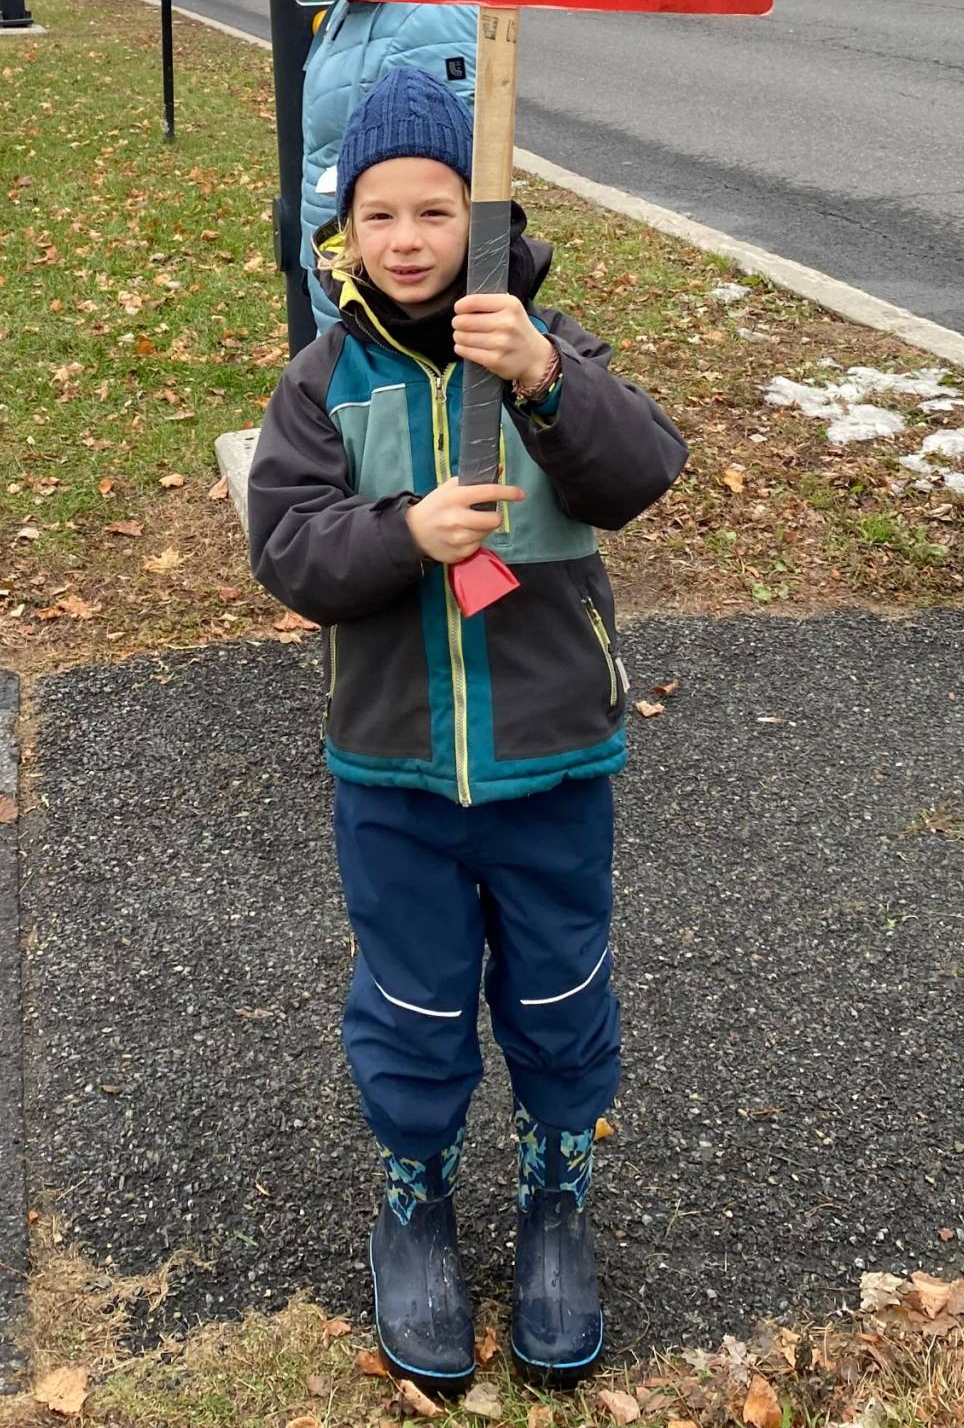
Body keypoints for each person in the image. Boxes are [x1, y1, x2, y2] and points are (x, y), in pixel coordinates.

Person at [248, 68, 686, 1389]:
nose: (406, 239)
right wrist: (405, 533)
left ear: (485, 219)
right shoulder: (323, 382)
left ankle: (556, 1199)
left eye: (435, 210)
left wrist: (543, 374)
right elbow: (289, 548)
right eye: (378, 215)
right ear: (345, 233)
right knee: (413, 1000)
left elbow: (642, 471)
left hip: (551, 760)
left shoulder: (546, 349)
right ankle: (414, 1204)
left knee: (559, 991)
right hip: (395, 768)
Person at [300, 1, 479, 329]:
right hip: (347, 263)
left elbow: (448, 169)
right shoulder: (350, 7)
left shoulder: (430, 19)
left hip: (376, 286)